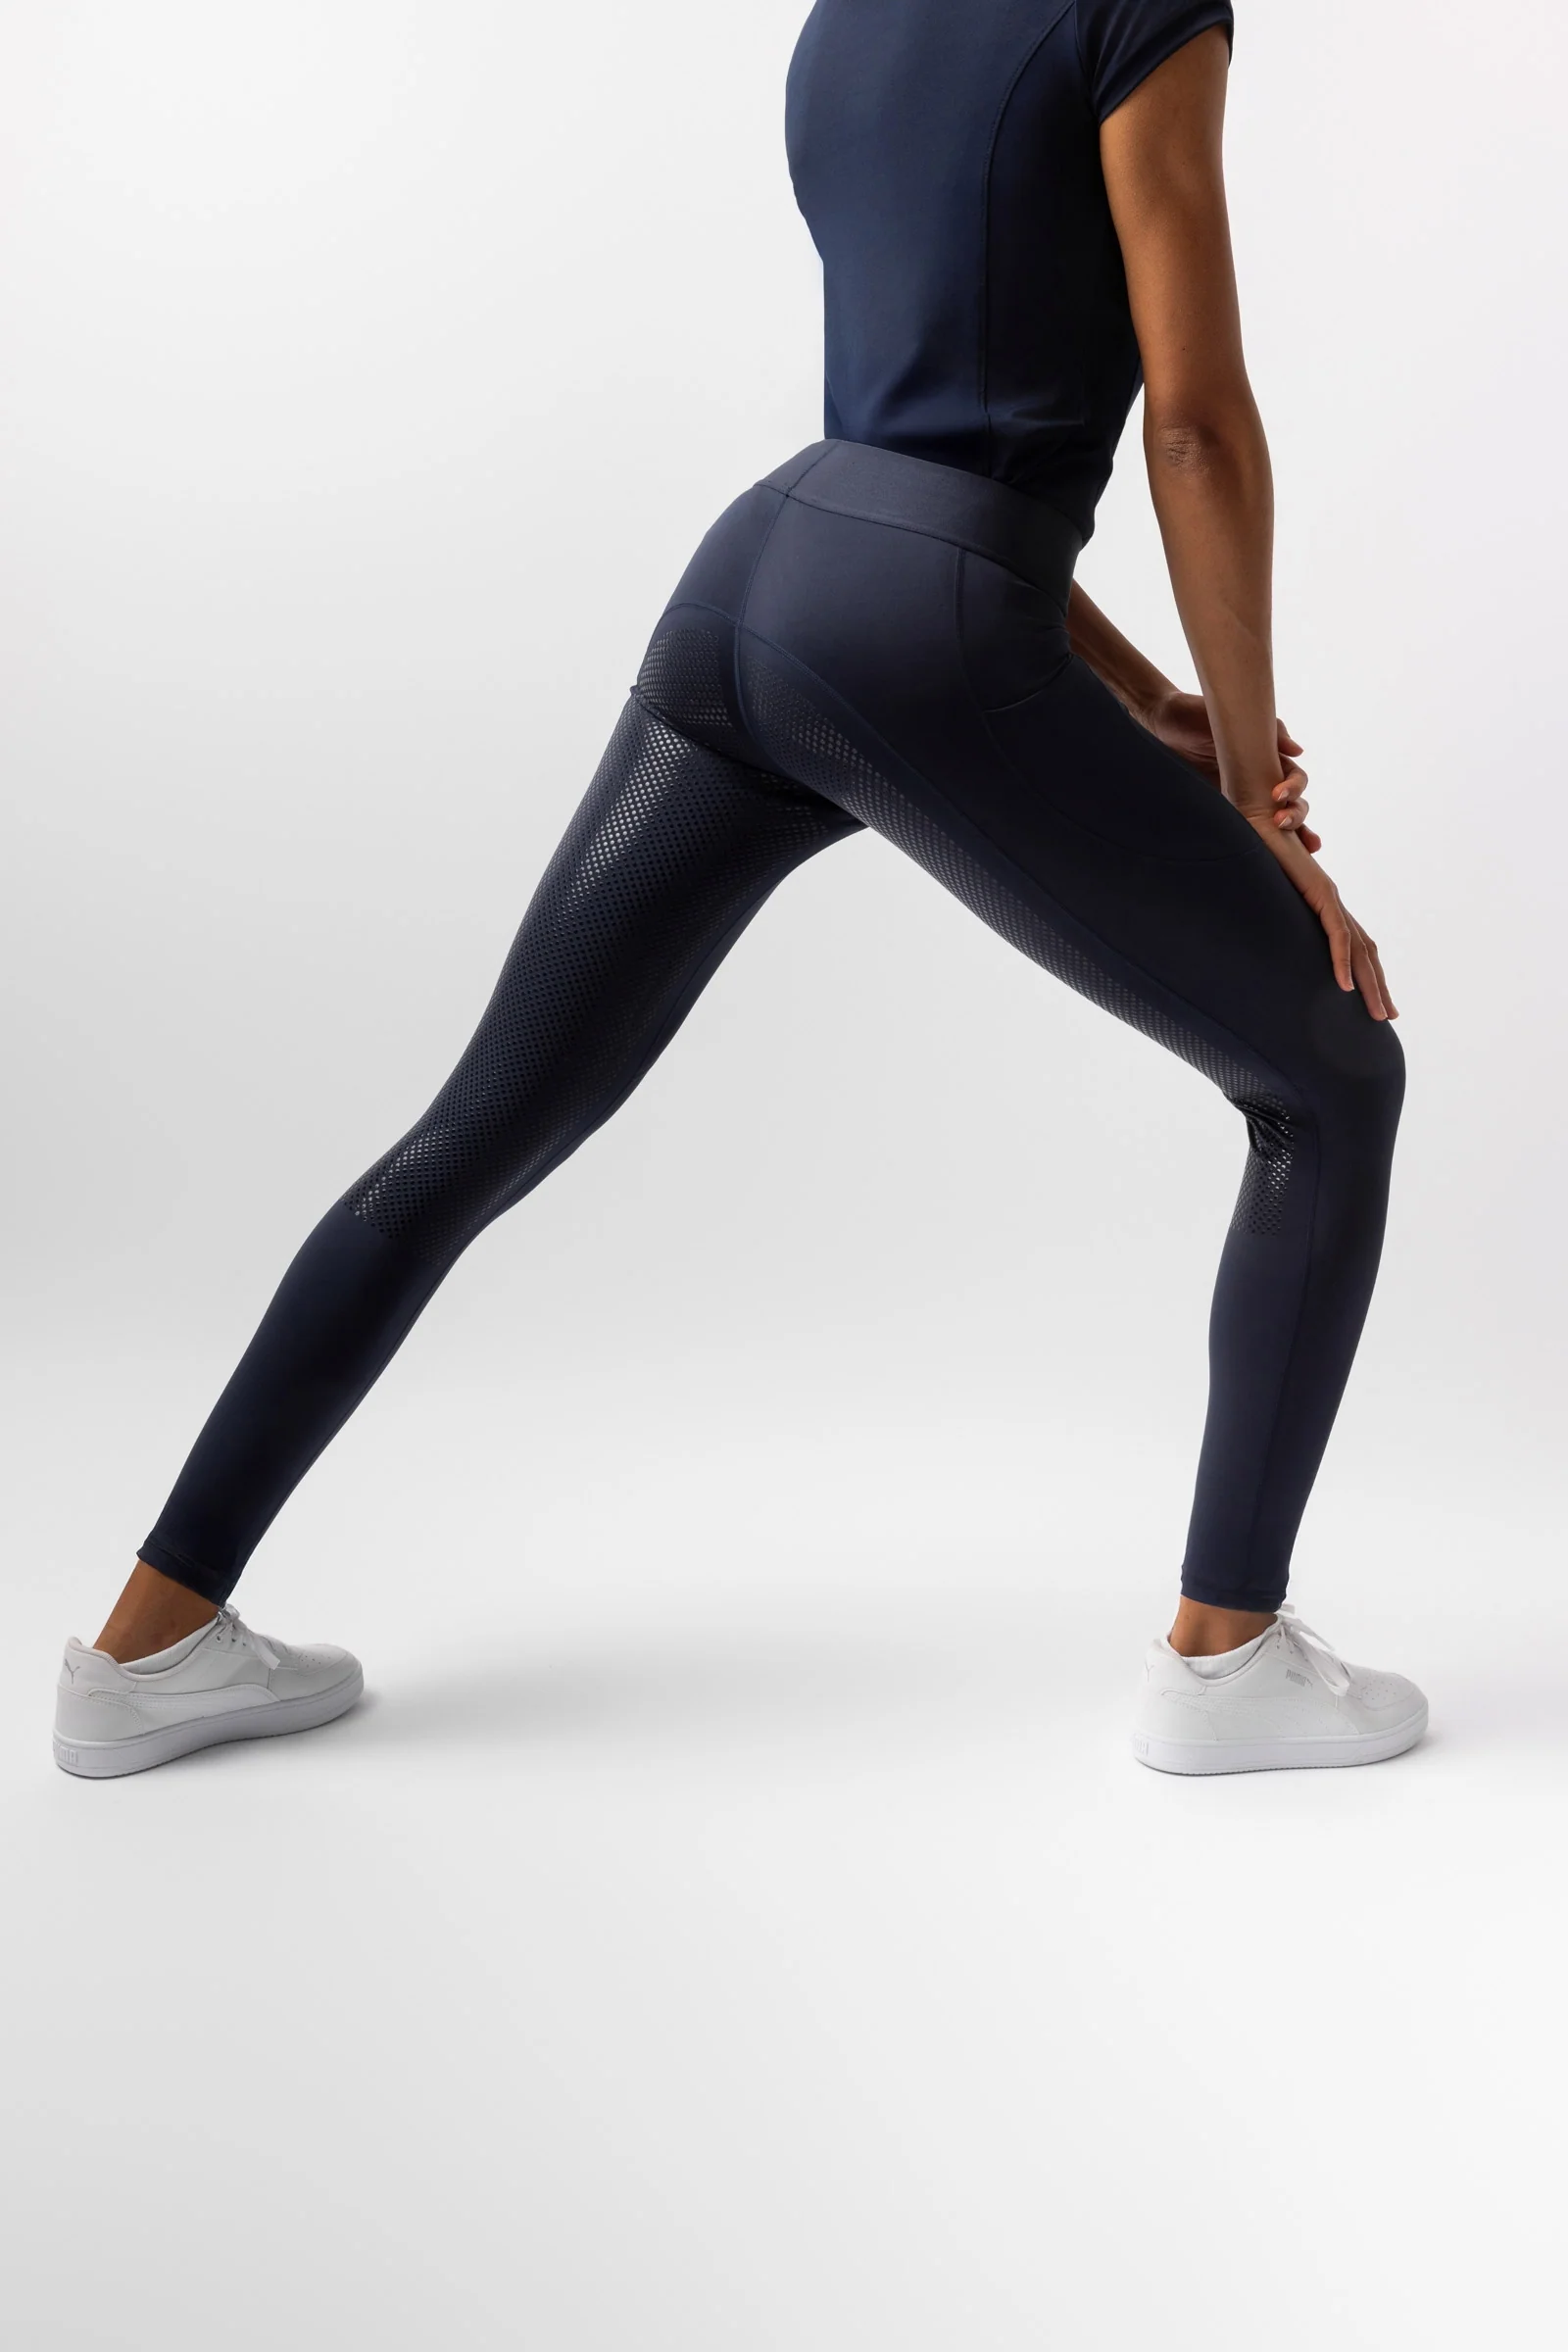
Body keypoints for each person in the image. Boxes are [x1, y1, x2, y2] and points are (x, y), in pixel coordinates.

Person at [53, 0, 1426, 1781]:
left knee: (477, 1125)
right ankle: (1229, 1663)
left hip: (760, 583)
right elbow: (1196, 425)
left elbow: (909, 426)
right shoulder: (1140, 10)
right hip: (921, 634)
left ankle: (147, 1649)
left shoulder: (853, 19)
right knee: (1332, 1073)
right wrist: (1251, 793)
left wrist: (1140, 691)